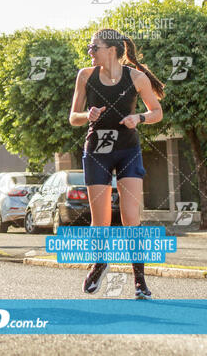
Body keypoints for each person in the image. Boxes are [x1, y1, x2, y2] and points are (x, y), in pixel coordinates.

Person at [69, 28, 164, 300]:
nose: (90, 51)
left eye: (94, 46)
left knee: (130, 216)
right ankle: (99, 263)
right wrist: (87, 115)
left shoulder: (136, 77)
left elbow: (156, 111)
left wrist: (139, 119)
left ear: (111, 49)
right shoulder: (85, 76)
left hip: (127, 149)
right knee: (101, 220)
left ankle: (140, 282)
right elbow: (72, 117)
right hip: (97, 149)